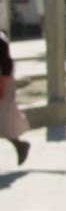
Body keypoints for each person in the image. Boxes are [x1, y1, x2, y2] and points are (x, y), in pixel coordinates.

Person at [0, 31, 30, 165]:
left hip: (3, 82)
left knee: (4, 120)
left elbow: (6, 65)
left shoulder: (0, 40)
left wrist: (2, 85)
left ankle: (19, 145)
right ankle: (19, 145)